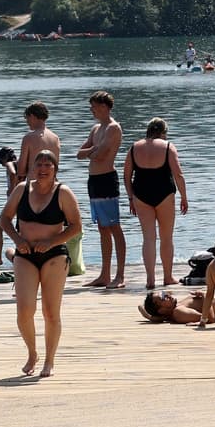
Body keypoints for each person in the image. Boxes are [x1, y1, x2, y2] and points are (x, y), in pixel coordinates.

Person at [0, 149, 82, 377]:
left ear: (55, 169)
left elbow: (76, 226)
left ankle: (49, 360)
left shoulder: (63, 192)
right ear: (33, 168)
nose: (43, 169)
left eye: (48, 165)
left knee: (50, 310)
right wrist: (17, 240)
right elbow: (4, 219)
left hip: (54, 254)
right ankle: (32, 352)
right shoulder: (22, 189)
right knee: (25, 309)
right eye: (39, 165)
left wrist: (52, 241)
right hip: (25, 253)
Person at [123, 117, 188, 289]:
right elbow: (178, 175)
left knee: (148, 238)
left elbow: (126, 176)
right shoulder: (167, 147)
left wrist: (130, 197)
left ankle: (150, 279)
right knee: (166, 237)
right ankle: (167, 277)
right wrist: (184, 197)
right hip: (164, 194)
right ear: (163, 132)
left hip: (141, 195)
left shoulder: (134, 148)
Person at [77, 91, 126, 288]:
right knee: (102, 228)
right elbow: (80, 154)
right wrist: (92, 150)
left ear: (104, 107)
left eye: (94, 107)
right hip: (93, 180)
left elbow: (101, 154)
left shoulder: (113, 128)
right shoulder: (96, 128)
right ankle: (104, 274)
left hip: (107, 179)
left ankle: (120, 275)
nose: (92, 110)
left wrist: (92, 151)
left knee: (114, 226)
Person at [17, 102, 60, 182]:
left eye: (27, 118)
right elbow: (55, 167)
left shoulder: (28, 138)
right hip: (52, 185)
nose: (27, 122)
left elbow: (21, 171)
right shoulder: (55, 138)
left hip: (34, 185)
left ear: (32, 116)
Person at [0, 147, 18, 267]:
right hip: (21, 201)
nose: (2, 165)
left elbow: (12, 173)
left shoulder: (10, 164)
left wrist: (11, 189)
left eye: (0, 162)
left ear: (3, 159)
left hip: (13, 202)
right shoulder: (22, 164)